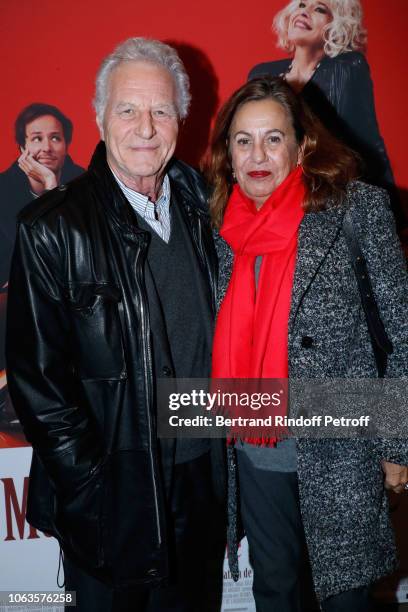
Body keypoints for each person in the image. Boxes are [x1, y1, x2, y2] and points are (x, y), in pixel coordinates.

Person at [6, 37, 225, 612]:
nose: (145, 127)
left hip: (201, 480)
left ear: (181, 117)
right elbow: (39, 385)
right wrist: (91, 488)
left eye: (160, 110)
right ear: (99, 117)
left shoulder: (205, 206)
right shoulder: (52, 227)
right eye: (128, 109)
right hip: (114, 495)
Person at [207, 76, 408, 612]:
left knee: (345, 596)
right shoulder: (219, 225)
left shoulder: (355, 208)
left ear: (302, 144)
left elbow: (401, 333)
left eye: (273, 138)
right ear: (227, 151)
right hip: (256, 444)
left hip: (342, 442)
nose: (258, 155)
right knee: (274, 588)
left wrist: (396, 443)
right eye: (243, 140)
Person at [248, 0, 406, 231]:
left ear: (336, 26)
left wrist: (392, 220)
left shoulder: (347, 68)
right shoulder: (261, 73)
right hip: (270, 203)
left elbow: (368, 142)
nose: (304, 12)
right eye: (301, 5)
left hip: (325, 204)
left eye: (319, 8)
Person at [0, 104, 84, 434]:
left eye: (55, 138)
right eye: (36, 138)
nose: (46, 147)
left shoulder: (86, 185)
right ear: (22, 148)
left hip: (73, 298)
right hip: (16, 303)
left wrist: (51, 189)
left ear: (66, 145)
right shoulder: (2, 190)